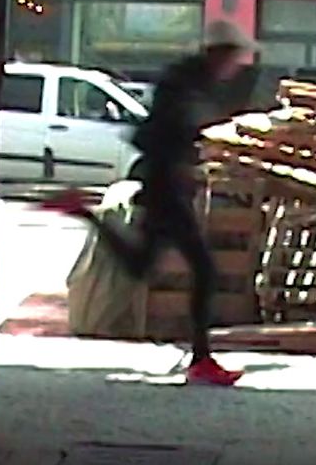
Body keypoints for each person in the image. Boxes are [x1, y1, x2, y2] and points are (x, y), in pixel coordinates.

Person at [43, 19, 256, 386]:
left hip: (165, 185)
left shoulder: (192, 79)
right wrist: (184, 162)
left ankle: (84, 212)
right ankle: (201, 360)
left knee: (141, 265)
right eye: (233, 57)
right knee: (203, 270)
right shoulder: (187, 81)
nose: (235, 66)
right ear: (218, 54)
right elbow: (171, 129)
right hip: (166, 187)